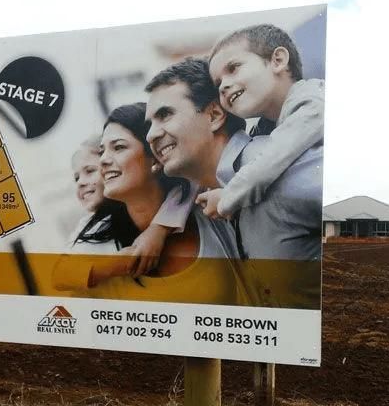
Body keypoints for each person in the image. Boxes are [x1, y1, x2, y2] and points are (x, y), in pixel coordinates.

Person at [145, 56, 320, 308]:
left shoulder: (276, 171)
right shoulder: (208, 194)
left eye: (165, 115)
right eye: (149, 123)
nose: (151, 134)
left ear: (215, 115)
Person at [73, 102, 248, 305]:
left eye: (118, 147)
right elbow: (61, 278)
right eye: (102, 151)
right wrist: (116, 264)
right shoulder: (96, 241)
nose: (102, 160)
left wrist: (159, 228)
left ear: (155, 158)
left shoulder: (210, 213)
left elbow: (195, 175)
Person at [196, 23, 324, 252]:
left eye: (233, 68)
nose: (224, 85)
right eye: (218, 84)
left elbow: (270, 160)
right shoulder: (265, 129)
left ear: (278, 60)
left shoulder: (314, 102)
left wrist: (227, 199)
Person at [53, 107, 182, 291]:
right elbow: (60, 275)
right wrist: (120, 262)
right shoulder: (92, 228)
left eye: (90, 171)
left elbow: (188, 190)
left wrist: (158, 229)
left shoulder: (185, 199)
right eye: (76, 178)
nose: (81, 182)